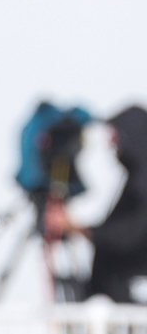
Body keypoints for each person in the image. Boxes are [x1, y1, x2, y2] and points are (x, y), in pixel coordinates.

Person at [44, 104, 147, 303]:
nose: (111, 143)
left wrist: (77, 228)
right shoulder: (136, 176)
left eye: (116, 135)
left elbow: (130, 235)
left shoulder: (142, 181)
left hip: (132, 297)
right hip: (116, 295)